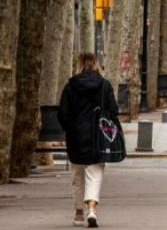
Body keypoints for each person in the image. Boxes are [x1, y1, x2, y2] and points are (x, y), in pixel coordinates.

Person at [58, 53, 119, 228]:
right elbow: (113, 110)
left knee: (77, 175)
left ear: (79, 65)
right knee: (95, 173)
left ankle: (78, 213)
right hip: (98, 135)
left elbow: (63, 113)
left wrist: (69, 129)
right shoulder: (104, 85)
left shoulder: (70, 86)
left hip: (76, 135)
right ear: (96, 65)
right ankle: (92, 210)